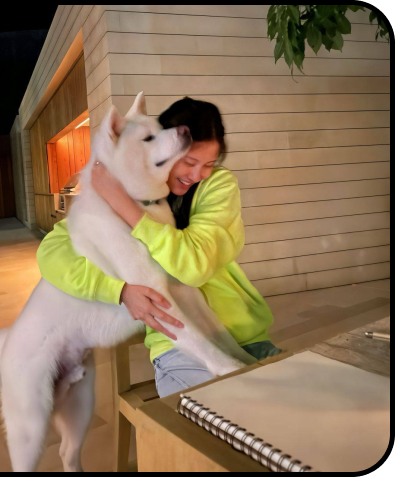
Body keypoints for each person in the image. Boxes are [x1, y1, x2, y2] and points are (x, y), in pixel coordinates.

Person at [36, 97, 281, 398]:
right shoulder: (125, 191)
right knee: (229, 411)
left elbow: (194, 266)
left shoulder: (217, 186)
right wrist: (119, 291)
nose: (197, 175)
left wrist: (125, 207)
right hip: (176, 344)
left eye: (208, 164)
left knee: (294, 405)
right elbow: (51, 251)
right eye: (188, 162)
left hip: (243, 334)